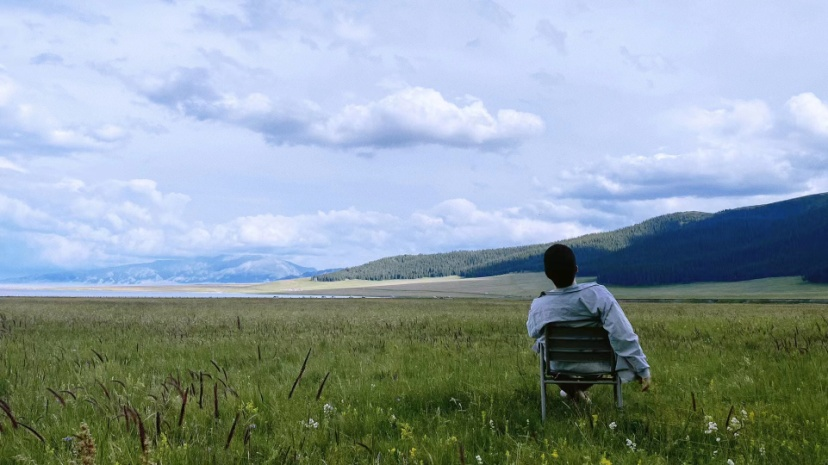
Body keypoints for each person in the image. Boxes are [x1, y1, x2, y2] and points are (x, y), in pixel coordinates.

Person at [527, 244, 651, 402]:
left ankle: (572, 390)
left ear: (547, 274)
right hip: (600, 364)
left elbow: (532, 332)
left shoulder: (539, 304)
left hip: (558, 365)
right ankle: (577, 391)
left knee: (540, 343)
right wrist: (642, 368)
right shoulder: (599, 295)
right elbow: (622, 333)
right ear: (576, 269)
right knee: (610, 341)